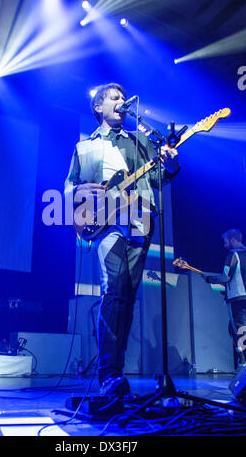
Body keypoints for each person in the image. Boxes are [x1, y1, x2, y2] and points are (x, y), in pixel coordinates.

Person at [64, 83, 180, 396]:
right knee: (113, 292)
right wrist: (77, 192)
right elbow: (69, 187)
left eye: (123, 98)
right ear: (98, 107)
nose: (121, 101)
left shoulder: (140, 140)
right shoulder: (85, 147)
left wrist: (169, 165)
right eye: (114, 98)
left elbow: (156, 179)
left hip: (140, 219)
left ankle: (116, 371)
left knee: (127, 298)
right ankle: (107, 373)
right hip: (106, 224)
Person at [203, 229, 246, 368]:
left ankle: (243, 364)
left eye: (226, 241)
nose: (225, 245)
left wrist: (209, 278)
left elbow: (226, 277)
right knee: (235, 329)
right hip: (241, 297)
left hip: (238, 299)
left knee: (239, 330)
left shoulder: (233, 254)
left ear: (233, 240)